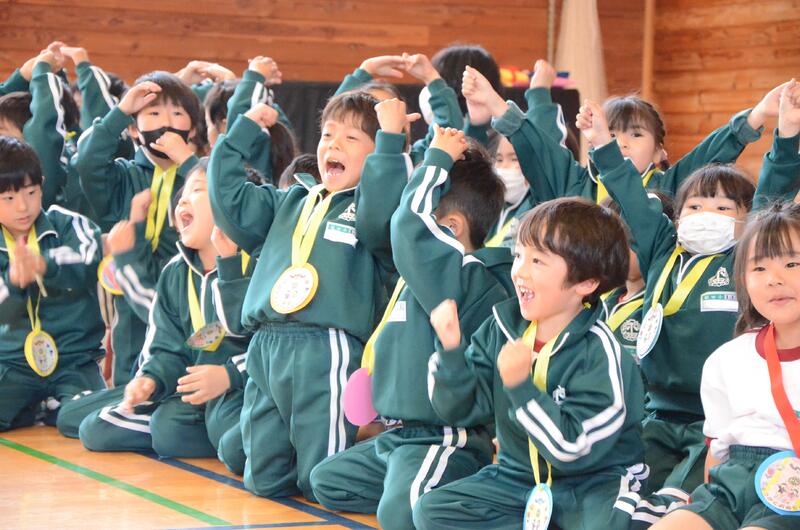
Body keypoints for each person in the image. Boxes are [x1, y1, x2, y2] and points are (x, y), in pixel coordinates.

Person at [207, 91, 408, 501]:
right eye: (328, 135)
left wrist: (390, 141)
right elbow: (228, 200)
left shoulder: (370, 210)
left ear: (375, 157)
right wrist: (242, 132)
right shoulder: (289, 201)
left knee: (319, 482)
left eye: (351, 139)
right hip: (266, 345)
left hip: (326, 348)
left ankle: (389, 456)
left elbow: (382, 212)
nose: (334, 145)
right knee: (263, 481)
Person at [310, 125, 510, 529]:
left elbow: (407, 224)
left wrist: (437, 158)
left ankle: (459, 487)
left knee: (398, 516)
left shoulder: (463, 273)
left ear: (451, 228)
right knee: (326, 482)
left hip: (444, 435)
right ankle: (430, 490)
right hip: (400, 436)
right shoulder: (423, 275)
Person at [414, 197, 647, 530]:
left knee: (611, 524)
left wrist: (521, 387)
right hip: (517, 477)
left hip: (591, 483)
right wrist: (451, 351)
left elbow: (572, 448)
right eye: (519, 255)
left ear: (586, 282)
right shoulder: (501, 328)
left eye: (538, 261)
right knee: (433, 511)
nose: (520, 271)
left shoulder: (600, 353)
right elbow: (459, 410)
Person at [75, 71, 202, 385]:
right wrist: (120, 111)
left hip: (185, 291)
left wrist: (188, 162)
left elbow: (221, 200)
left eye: (177, 114)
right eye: (153, 114)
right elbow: (88, 162)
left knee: (182, 368)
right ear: (133, 129)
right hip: (130, 292)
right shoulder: (123, 176)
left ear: (192, 129)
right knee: (130, 374)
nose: (166, 122)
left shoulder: (201, 177)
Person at [0, 136, 105, 431]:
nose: (23, 206)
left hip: (74, 360)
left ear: (42, 185)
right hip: (13, 365)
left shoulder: (67, 224)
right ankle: (33, 407)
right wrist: (13, 282)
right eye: (8, 198)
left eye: (31, 192)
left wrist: (44, 264)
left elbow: (91, 256)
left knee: (84, 422)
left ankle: (60, 406)